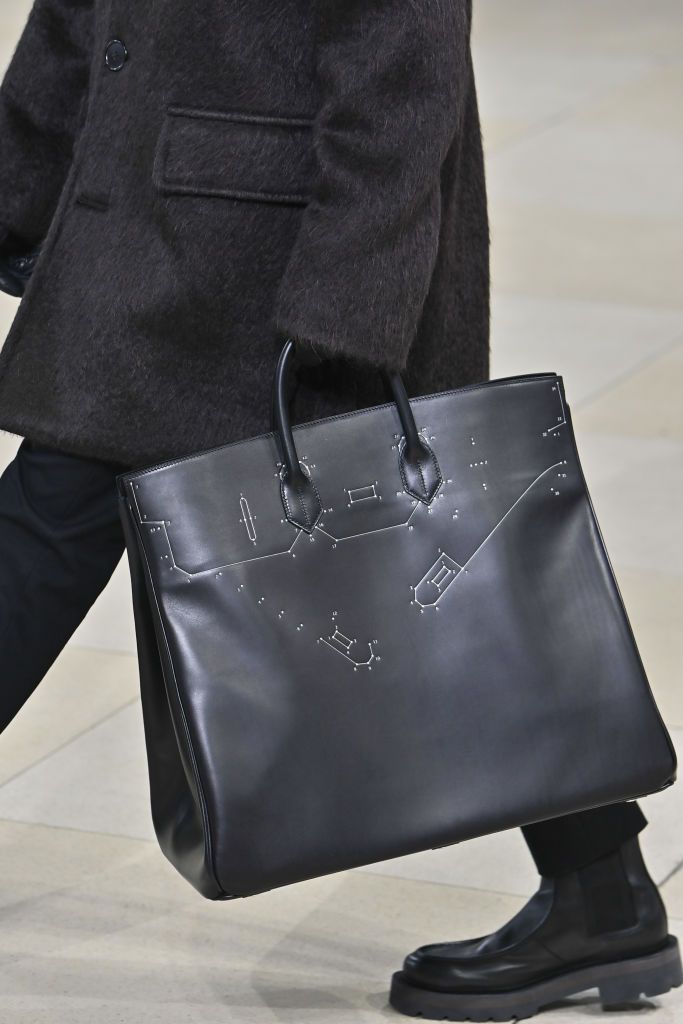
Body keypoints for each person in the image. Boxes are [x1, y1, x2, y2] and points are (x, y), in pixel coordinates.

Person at [0, 1, 679, 1019]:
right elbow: (80, 19)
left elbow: (404, 67)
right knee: (409, 580)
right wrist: (22, 186)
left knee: (69, 520)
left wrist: (346, 309)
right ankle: (600, 885)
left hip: (274, 250)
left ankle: (602, 890)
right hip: (165, 229)